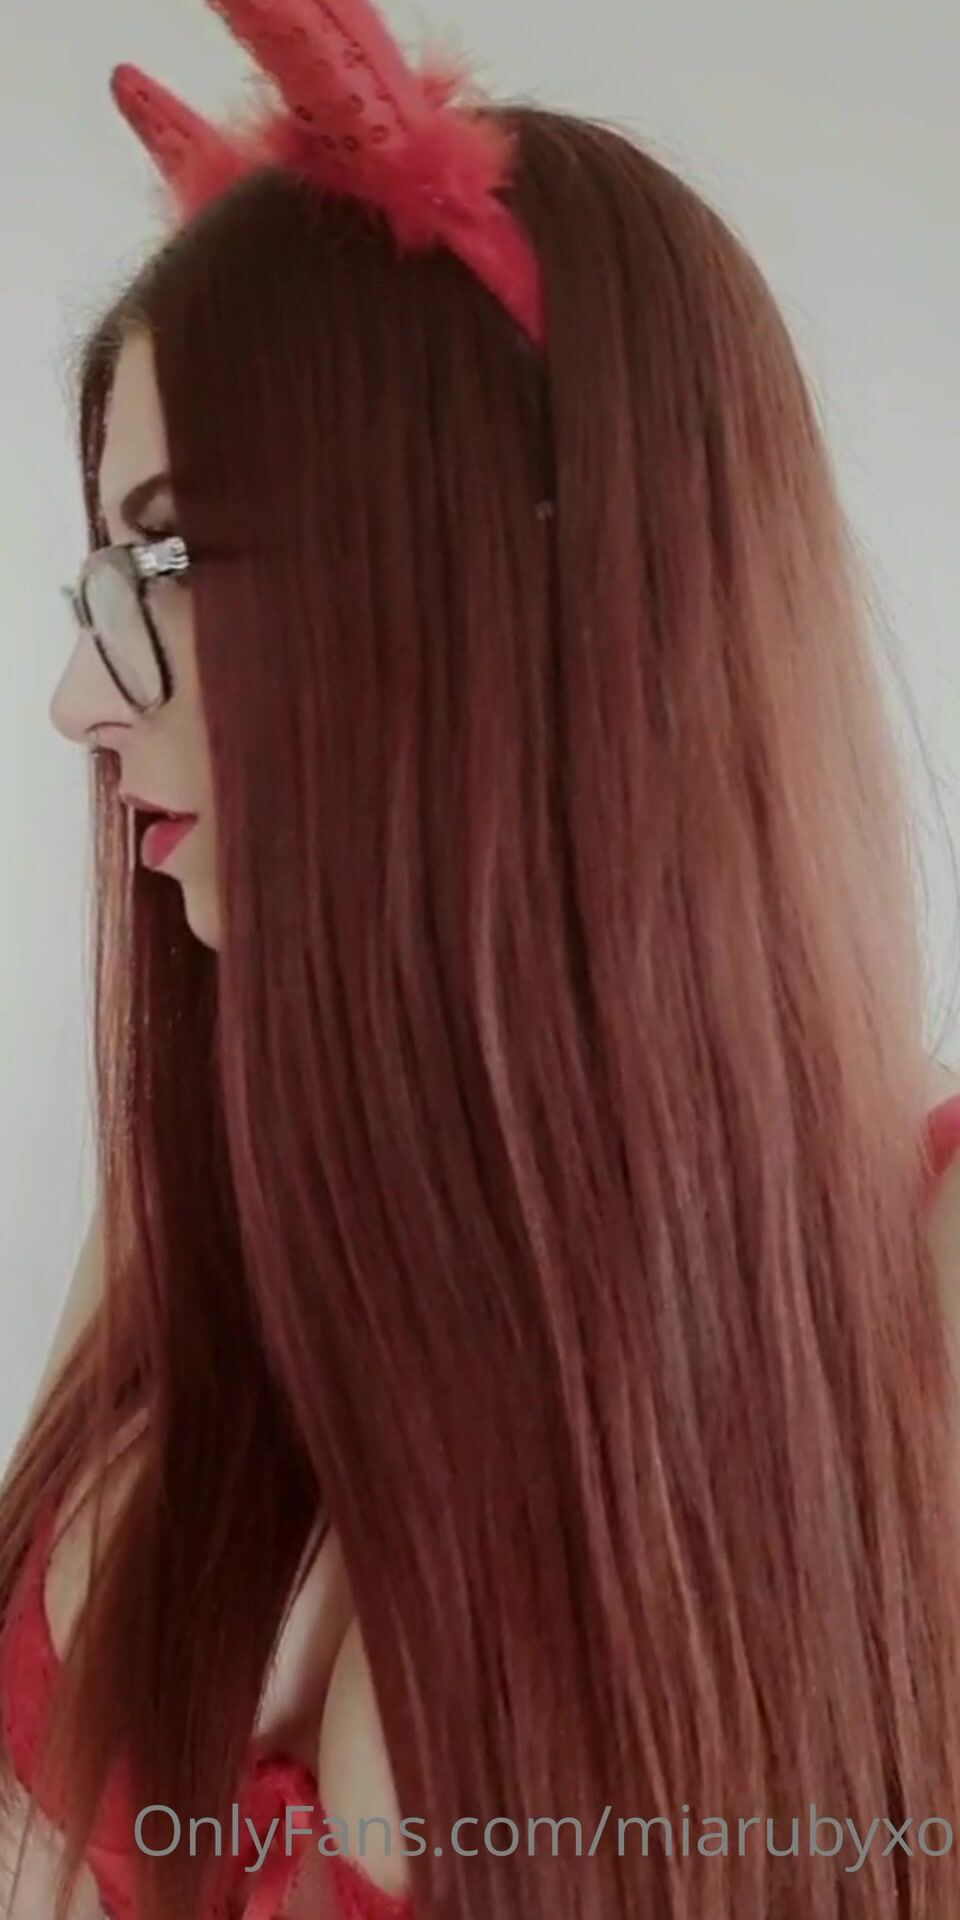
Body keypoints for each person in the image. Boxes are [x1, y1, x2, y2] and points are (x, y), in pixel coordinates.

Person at [2, 0, 960, 1915]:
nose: (78, 705)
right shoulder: (214, 1182)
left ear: (500, 584)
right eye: (108, 575)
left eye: (170, 562)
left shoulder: (918, 1286)